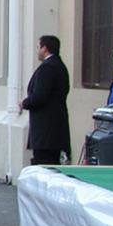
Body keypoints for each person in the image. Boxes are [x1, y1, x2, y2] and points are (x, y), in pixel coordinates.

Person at [19, 35, 71, 165]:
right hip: (54, 129)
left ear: (45, 48)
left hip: (45, 130)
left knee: (44, 164)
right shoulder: (59, 66)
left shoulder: (47, 67)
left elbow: (40, 96)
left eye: (38, 47)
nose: (37, 51)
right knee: (52, 163)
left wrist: (24, 103)